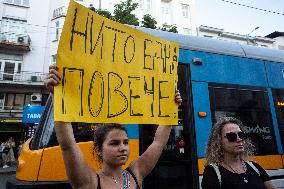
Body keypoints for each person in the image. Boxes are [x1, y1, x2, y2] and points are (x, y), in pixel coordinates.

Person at [45, 65, 182, 189]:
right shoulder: (89, 181)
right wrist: (57, 97)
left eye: (125, 142)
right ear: (99, 149)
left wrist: (171, 109)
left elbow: (158, 143)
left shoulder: (136, 172)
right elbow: (68, 144)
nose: (123, 148)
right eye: (114, 143)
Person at [201, 117, 276, 189]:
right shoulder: (213, 172)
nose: (239, 139)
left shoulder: (255, 167)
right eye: (231, 136)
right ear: (219, 141)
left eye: (241, 135)